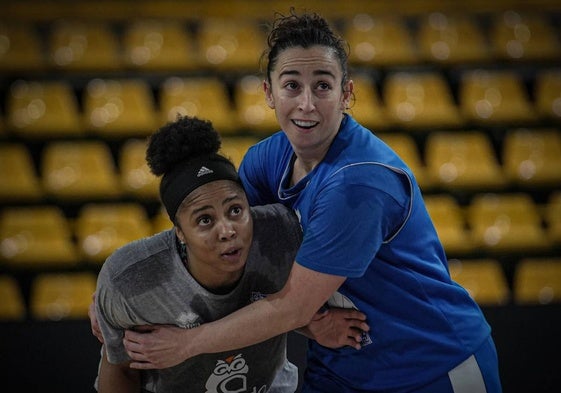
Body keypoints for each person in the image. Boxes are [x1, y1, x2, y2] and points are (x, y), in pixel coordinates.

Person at [121, 10, 502, 393]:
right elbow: (226, 255)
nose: (306, 104)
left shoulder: (359, 184)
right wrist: (121, 290)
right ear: (269, 93)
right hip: (341, 366)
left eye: (322, 86)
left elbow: (293, 306)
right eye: (291, 86)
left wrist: (186, 344)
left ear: (346, 94)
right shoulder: (266, 159)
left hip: (434, 367)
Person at [92, 115, 369, 392]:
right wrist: (110, 310)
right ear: (179, 232)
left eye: (235, 210)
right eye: (205, 220)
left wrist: (311, 322)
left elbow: (292, 303)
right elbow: (122, 370)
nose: (227, 230)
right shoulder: (132, 279)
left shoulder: (281, 234)